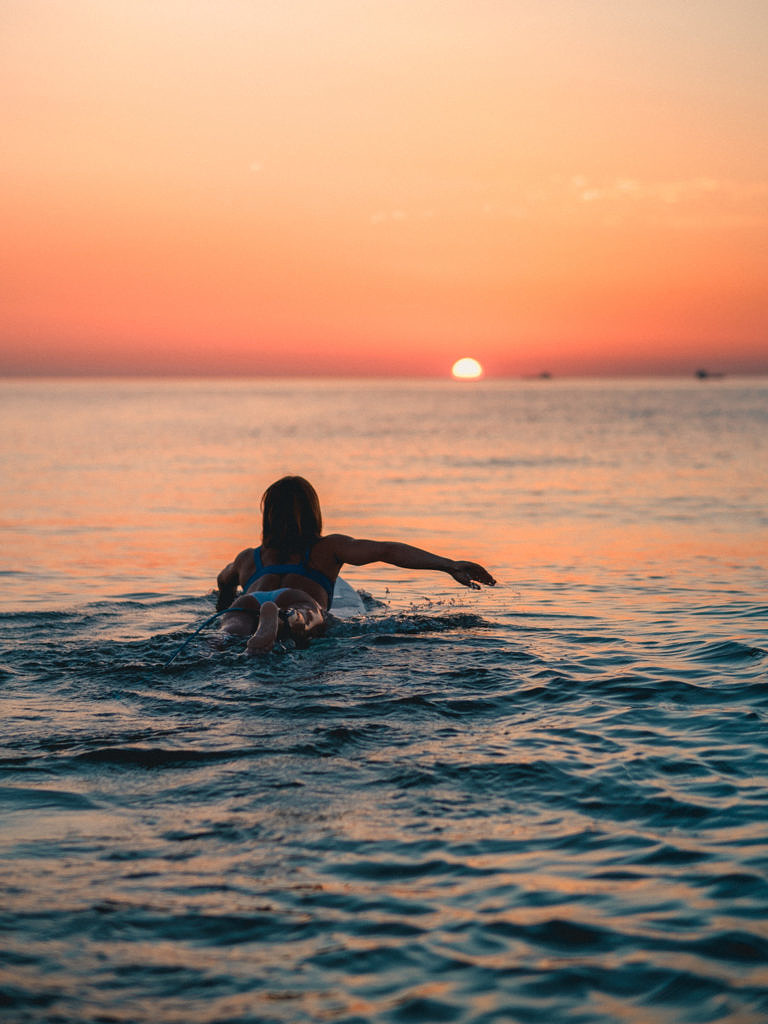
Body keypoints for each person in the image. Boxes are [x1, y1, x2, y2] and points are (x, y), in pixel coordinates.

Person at [215, 475, 496, 654]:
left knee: (229, 632)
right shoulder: (327, 547)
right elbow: (387, 551)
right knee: (305, 618)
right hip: (297, 599)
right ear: (313, 512)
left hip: (249, 600)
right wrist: (448, 565)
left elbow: (223, 581)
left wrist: (224, 604)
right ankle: (282, 620)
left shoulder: (246, 558)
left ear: (268, 516)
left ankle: (235, 634)